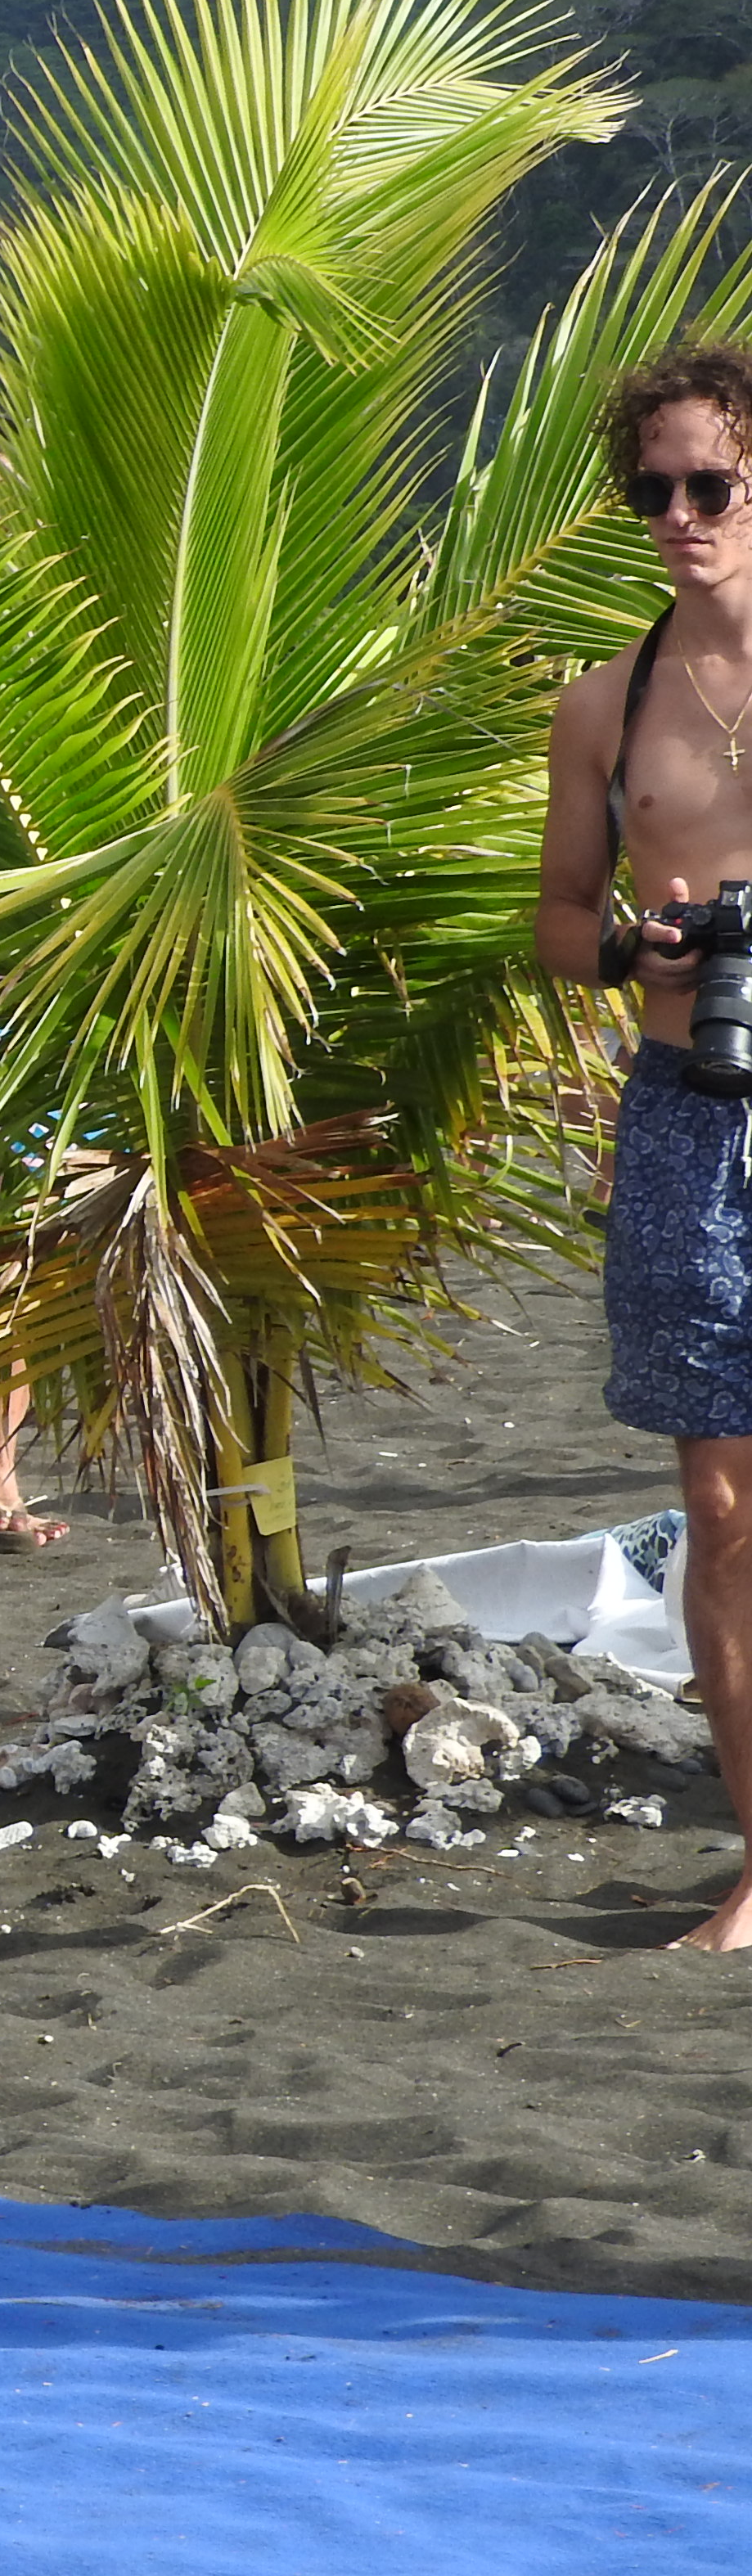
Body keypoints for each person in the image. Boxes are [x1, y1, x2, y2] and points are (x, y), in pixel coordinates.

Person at [539, 341, 752, 1953]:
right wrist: (637, 954)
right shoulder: (603, 703)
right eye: (653, 490)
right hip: (690, 1115)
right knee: (724, 1514)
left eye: (711, 486)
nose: (678, 516)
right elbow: (554, 924)